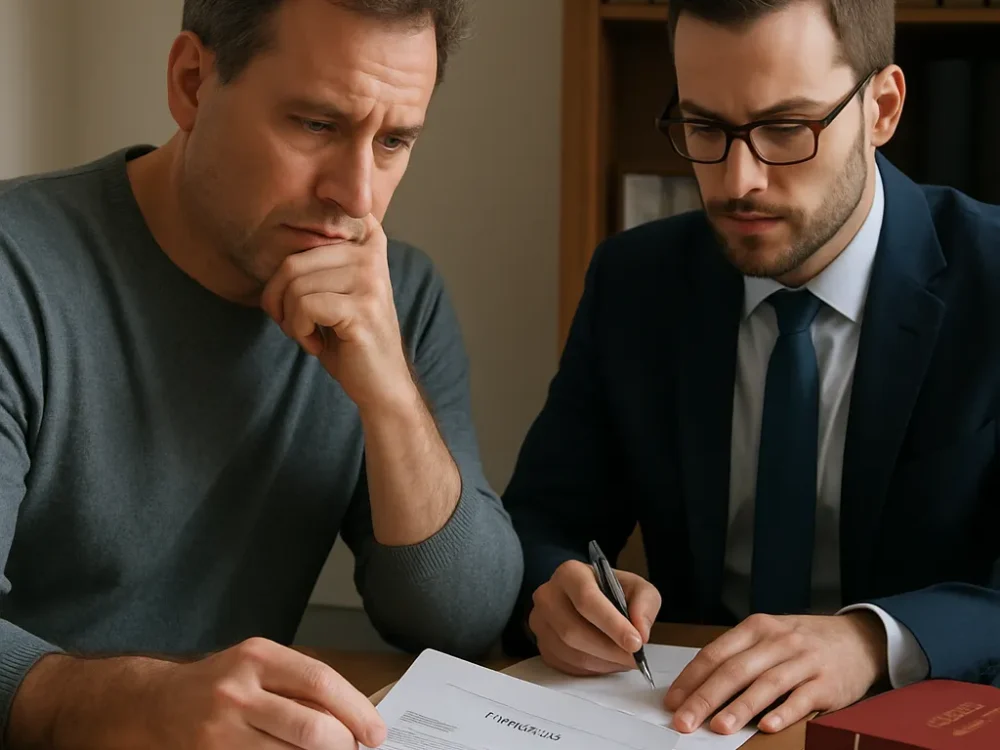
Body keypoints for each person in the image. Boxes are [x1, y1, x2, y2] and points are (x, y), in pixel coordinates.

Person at [0, 0, 524, 747]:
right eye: (316, 124)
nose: (359, 197)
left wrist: (388, 395)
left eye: (394, 141)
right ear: (191, 81)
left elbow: (461, 622)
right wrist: (141, 704)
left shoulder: (394, 299)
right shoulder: (16, 271)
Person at [502, 0, 1000, 738]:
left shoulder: (991, 279)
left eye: (786, 129)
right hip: (685, 719)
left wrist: (872, 640)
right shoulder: (636, 281)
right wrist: (558, 591)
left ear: (882, 108)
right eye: (705, 128)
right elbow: (541, 523)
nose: (739, 181)